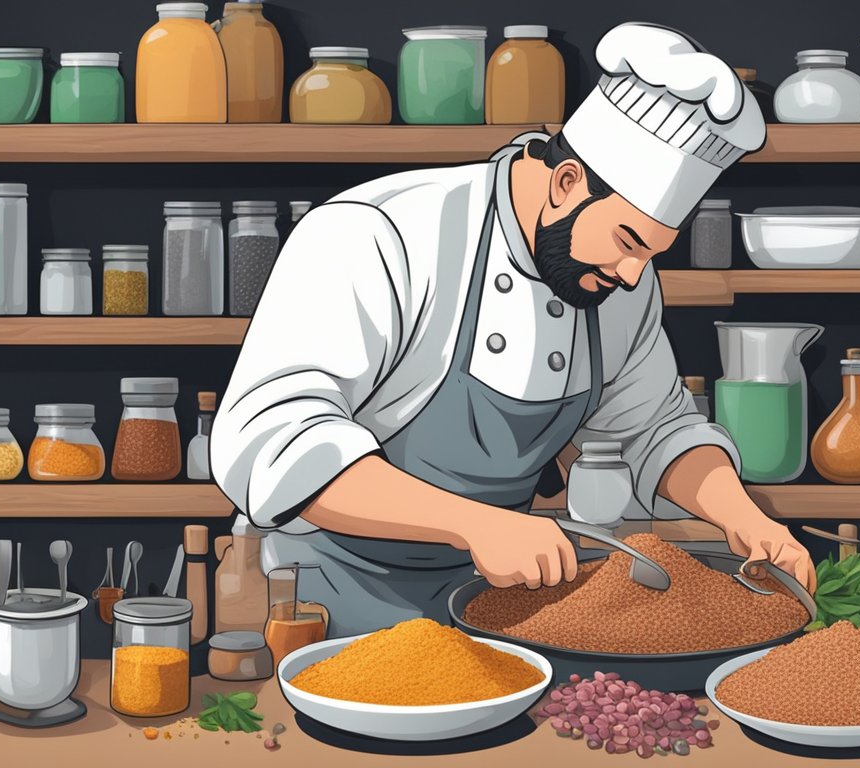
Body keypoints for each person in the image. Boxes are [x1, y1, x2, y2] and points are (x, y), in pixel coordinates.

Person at [211, 22, 815, 636]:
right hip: (327, 601)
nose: (635, 275)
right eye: (628, 241)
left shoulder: (615, 279)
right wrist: (477, 524)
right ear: (566, 182)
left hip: (500, 604)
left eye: (652, 253)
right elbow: (273, 439)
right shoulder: (378, 232)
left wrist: (745, 519)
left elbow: (656, 427)